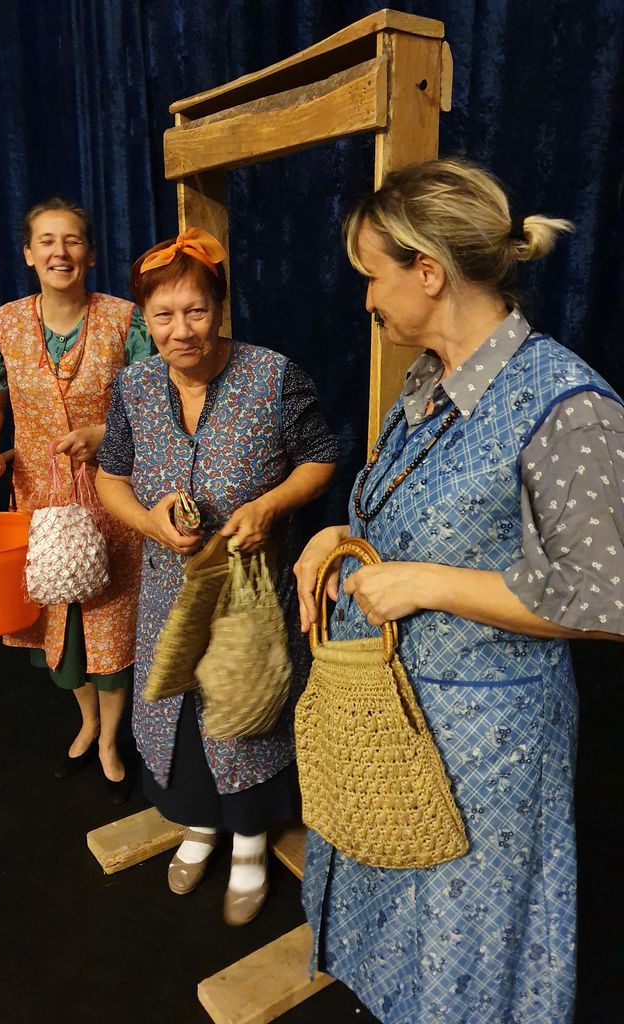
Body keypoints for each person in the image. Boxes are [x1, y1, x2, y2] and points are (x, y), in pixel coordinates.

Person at [294, 158, 624, 1023]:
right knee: (397, 927)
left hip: (486, 754)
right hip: (394, 728)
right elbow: (414, 513)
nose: (368, 301)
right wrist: (338, 537)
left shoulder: (567, 406)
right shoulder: (429, 382)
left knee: (462, 946)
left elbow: (609, 601)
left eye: (374, 277)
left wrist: (429, 584)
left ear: (429, 272)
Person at [95, 227, 338, 925]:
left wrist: (268, 506)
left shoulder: (274, 375)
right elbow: (111, 477)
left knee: (245, 711)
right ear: (145, 319)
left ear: (220, 307)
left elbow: (322, 457)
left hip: (250, 597)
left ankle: (252, 840)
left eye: (196, 311)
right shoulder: (134, 387)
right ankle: (200, 826)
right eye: (164, 315)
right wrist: (148, 522)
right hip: (170, 597)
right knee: (177, 711)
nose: (181, 330)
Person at [0, 197, 151, 803]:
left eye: (72, 240)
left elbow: (154, 399)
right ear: (29, 254)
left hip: (113, 496)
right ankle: (87, 721)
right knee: (60, 623)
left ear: (90, 254)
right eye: (46, 241)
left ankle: (111, 741)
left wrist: (105, 434)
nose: (59, 252)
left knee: (111, 619)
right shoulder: (3, 324)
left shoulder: (126, 321)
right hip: (40, 500)